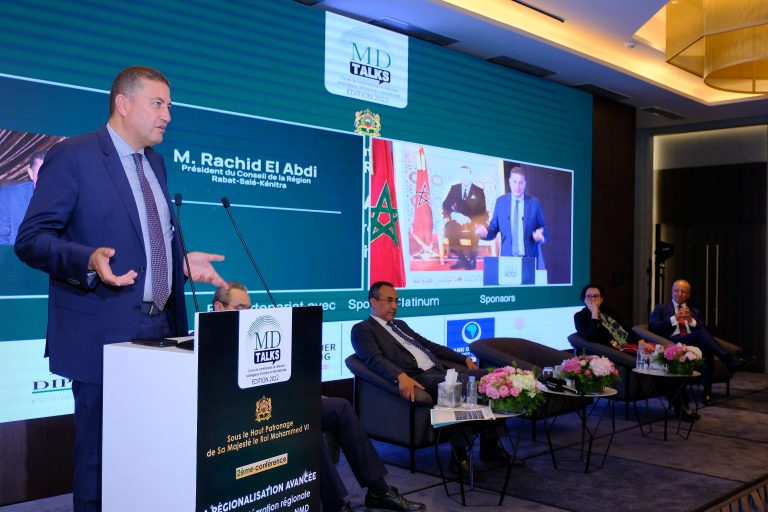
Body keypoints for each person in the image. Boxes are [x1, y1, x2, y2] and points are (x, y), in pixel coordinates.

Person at [14, 66, 226, 512]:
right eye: (158, 104)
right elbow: (31, 240)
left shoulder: (155, 163)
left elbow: (148, 242)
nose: (168, 115)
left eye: (169, 105)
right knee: (100, 461)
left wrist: (181, 264)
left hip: (164, 331)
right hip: (102, 334)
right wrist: (86, 260)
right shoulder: (73, 156)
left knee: (151, 456)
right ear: (123, 104)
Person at [213, 282, 426, 512]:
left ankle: (378, 490)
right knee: (304, 423)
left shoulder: (257, 337)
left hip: (282, 403)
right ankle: (336, 505)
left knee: (341, 408)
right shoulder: (206, 343)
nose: (248, 315)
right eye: (240, 308)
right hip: (247, 416)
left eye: (250, 309)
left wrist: (306, 393)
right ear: (219, 307)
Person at [351, 281, 509, 467]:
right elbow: (374, 359)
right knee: (462, 386)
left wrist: (464, 359)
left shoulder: (400, 324)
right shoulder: (363, 329)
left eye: (396, 301)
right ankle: (459, 458)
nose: (394, 306)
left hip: (439, 371)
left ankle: (491, 448)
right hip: (418, 377)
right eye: (389, 300)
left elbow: (430, 346)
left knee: (492, 378)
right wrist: (400, 376)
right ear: (373, 301)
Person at [575, 284, 699, 421]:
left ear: (602, 299)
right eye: (589, 296)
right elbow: (591, 337)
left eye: (596, 296)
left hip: (629, 346)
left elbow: (626, 328)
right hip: (616, 351)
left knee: (669, 361)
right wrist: (594, 314)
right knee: (658, 365)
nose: (593, 299)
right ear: (584, 299)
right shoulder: (580, 317)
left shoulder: (609, 311)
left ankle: (684, 404)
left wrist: (641, 341)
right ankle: (680, 407)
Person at [649, 279, 753, 405]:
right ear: (672, 292)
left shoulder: (695, 311)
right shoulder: (661, 308)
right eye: (676, 291)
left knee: (706, 347)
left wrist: (691, 321)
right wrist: (674, 318)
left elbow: (704, 331)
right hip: (674, 342)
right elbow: (653, 326)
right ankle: (729, 362)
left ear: (688, 294)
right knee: (702, 335)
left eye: (683, 291)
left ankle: (707, 392)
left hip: (694, 343)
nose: (679, 294)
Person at [476, 166, 547, 269]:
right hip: (507, 260)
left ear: (525, 183)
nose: (517, 186)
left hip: (529, 259)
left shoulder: (534, 203)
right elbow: (493, 229)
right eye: (514, 182)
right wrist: (485, 232)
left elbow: (543, 229)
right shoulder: (501, 202)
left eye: (520, 182)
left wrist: (540, 235)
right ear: (509, 182)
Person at [441, 165, 488, 270]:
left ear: (471, 175)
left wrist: (472, 220)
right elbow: (445, 204)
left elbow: (482, 211)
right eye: (461, 174)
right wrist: (454, 214)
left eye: (466, 174)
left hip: (473, 220)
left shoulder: (479, 191)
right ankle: (462, 259)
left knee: (476, 228)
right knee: (449, 226)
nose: (463, 177)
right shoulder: (454, 188)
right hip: (458, 220)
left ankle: (472, 259)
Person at [0, 150, 44, 245]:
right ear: (31, 173)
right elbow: (2, 238)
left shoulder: (68, 195)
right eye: (40, 174)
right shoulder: (8, 197)